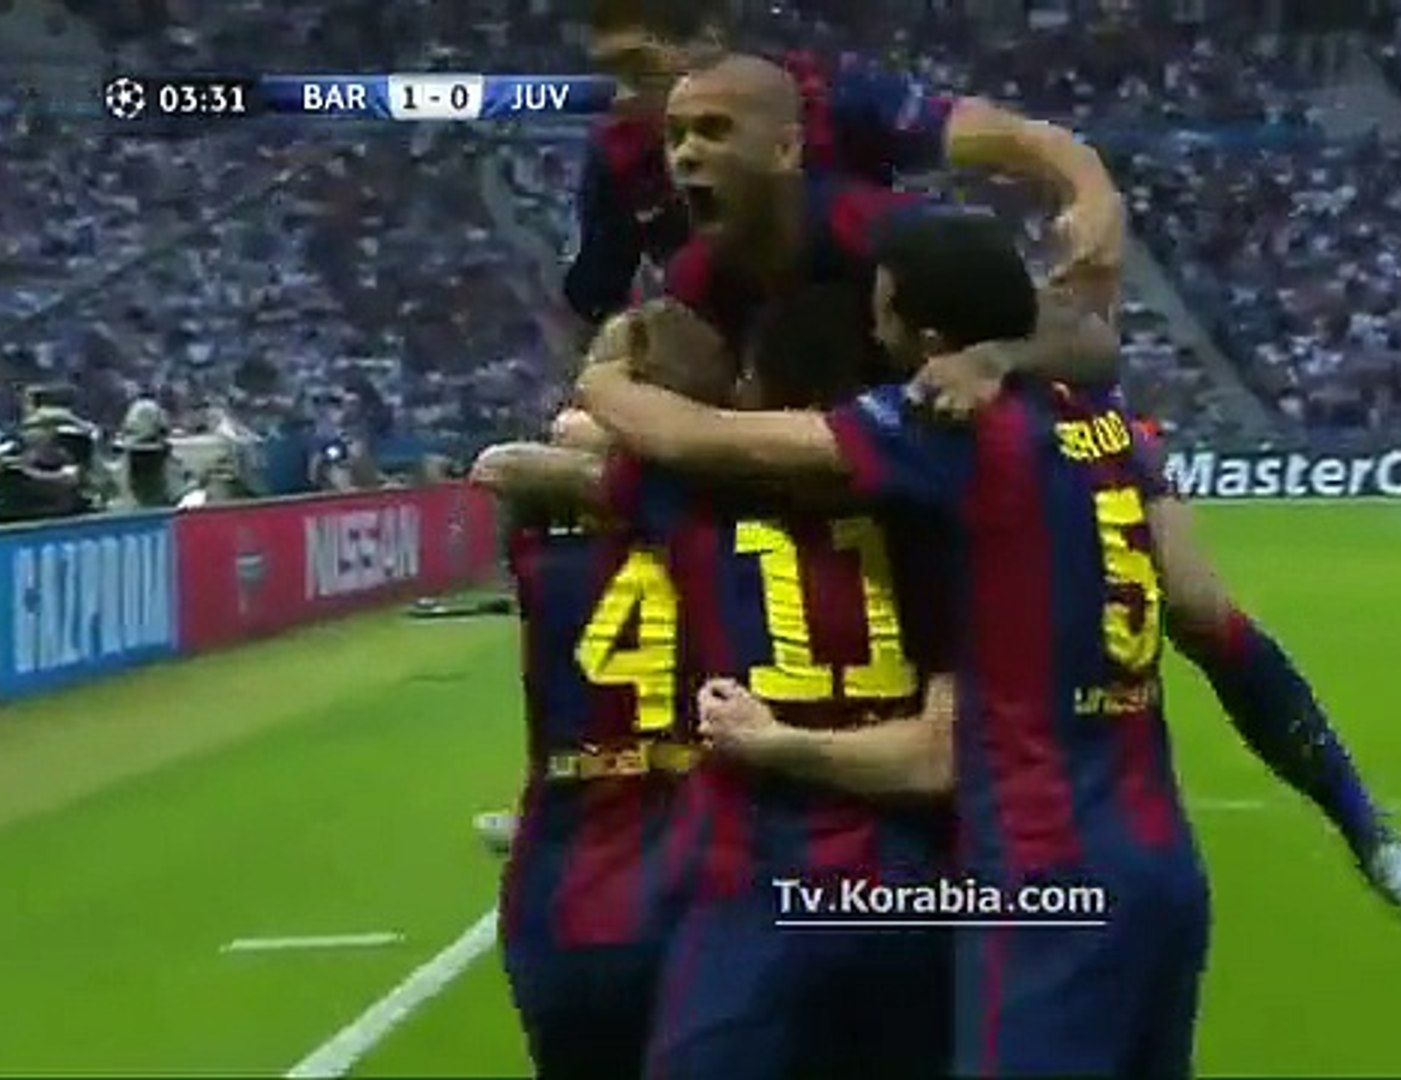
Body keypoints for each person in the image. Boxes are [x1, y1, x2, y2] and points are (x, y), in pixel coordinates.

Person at [579, 211, 1401, 1077]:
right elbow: (1213, 622)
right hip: (1161, 869)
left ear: (929, 338)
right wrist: (1361, 827)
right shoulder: (1108, 423)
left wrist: (605, 379)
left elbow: (702, 439)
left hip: (1044, 875)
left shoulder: (953, 432)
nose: (876, 333)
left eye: (885, 313)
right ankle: (1380, 842)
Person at [477, 52, 1120, 850]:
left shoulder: (878, 229)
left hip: (933, 463)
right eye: (676, 136)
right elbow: (676, 385)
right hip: (829, 455)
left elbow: (1089, 345)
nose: (684, 155)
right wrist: (612, 401)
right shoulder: (699, 270)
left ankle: (987, 765)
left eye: (712, 132)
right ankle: (598, 771)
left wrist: (994, 357)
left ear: (785, 148)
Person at [479, 291, 958, 1079]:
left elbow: (502, 466)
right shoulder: (918, 510)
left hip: (590, 887)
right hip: (875, 882)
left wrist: (599, 415)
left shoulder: (656, 512)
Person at [468, 303, 731, 1080]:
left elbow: (504, 464)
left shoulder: (540, 537)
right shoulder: (738, 523)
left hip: (566, 895)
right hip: (703, 892)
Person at [561, 0, 1125, 338]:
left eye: (639, 67)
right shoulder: (617, 155)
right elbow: (594, 305)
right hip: (743, 365)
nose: (623, 95)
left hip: (875, 348)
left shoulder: (823, 96)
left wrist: (1093, 193)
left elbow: (1007, 136)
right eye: (610, 74)